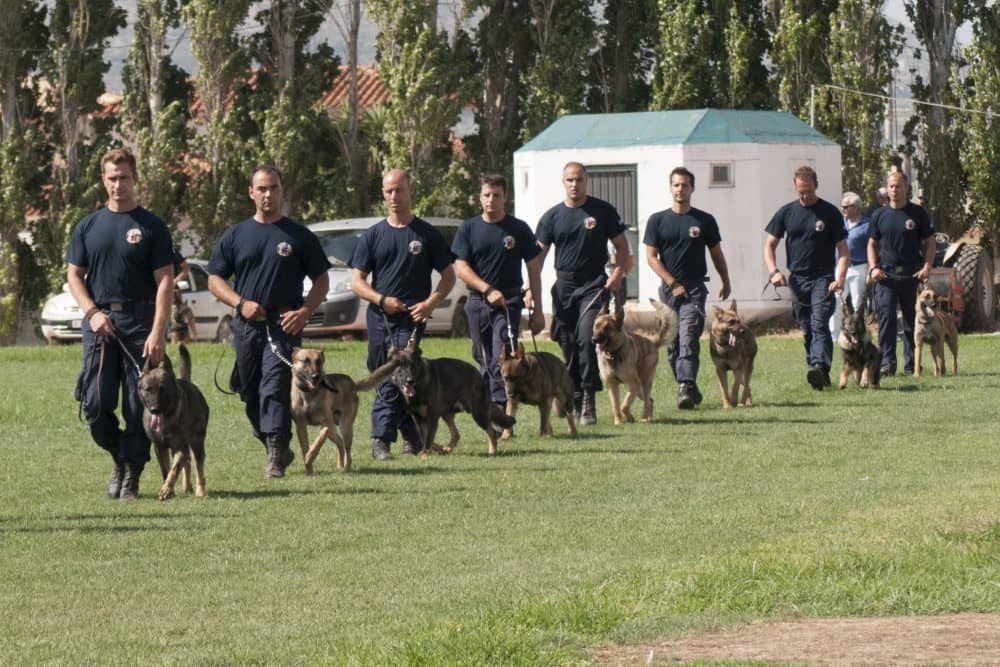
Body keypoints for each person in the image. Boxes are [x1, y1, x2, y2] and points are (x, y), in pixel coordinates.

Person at [207, 166, 331, 479]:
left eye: (273, 188)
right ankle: (273, 442)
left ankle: (276, 455)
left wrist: (304, 311)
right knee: (249, 390)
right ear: (251, 192)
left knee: (274, 386)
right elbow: (214, 279)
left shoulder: (298, 236)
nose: (268, 195)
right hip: (248, 325)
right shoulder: (236, 235)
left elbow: (322, 280)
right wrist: (240, 303)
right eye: (261, 189)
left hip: (284, 325)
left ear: (282, 191)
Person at [67, 148, 174, 500]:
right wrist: (92, 313)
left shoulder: (152, 227)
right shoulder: (87, 226)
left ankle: (133, 475)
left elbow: (165, 281)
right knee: (95, 404)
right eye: (112, 178)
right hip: (99, 324)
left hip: (139, 322)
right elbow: (74, 276)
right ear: (103, 180)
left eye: (124, 177)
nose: (118, 184)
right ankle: (118, 456)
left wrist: (158, 332)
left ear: (135, 179)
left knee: (137, 405)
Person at [350, 169, 456, 460]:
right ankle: (411, 435)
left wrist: (430, 303)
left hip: (412, 320)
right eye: (389, 192)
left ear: (411, 191)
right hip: (380, 318)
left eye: (399, 190)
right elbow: (357, 282)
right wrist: (381, 299)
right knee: (392, 376)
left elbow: (449, 276)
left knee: (393, 375)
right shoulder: (373, 236)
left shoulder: (426, 233)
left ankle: (380, 441)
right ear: (383, 194)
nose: (394, 197)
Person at [536, 161, 631, 425]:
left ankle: (588, 400)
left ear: (586, 181)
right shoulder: (551, 217)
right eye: (569, 180)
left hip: (593, 285)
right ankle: (574, 395)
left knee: (588, 339)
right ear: (563, 182)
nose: (574, 184)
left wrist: (616, 275)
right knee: (567, 343)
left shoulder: (602, 211)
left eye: (578, 179)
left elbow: (623, 248)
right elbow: (538, 257)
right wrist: (531, 291)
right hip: (564, 287)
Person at [452, 174, 544, 411]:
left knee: (499, 355)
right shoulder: (468, 228)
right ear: (479, 198)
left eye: (496, 195)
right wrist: (487, 289)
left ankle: (500, 410)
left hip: (509, 302)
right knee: (481, 356)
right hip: (477, 302)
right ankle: (488, 403)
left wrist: (539, 310)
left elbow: (533, 266)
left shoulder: (518, 228)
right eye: (486, 195)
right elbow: (461, 268)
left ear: (506, 197)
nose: (491, 200)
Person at [644, 166, 732, 409]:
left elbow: (716, 253)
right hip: (668, 292)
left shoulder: (704, 220)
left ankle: (684, 384)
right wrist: (672, 283)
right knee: (672, 344)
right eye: (676, 185)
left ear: (692, 188)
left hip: (694, 289)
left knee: (688, 338)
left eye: (684, 185)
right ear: (670, 187)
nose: (680, 189)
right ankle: (688, 386)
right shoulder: (657, 220)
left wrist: (725, 279)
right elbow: (651, 257)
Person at [764, 165, 849, 390]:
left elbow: (843, 250)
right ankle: (817, 369)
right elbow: (769, 245)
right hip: (797, 279)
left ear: (816, 186)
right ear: (795, 188)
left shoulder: (830, 213)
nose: (805, 196)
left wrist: (839, 278)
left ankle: (820, 366)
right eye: (801, 191)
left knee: (819, 322)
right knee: (806, 327)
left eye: (809, 191)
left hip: (823, 277)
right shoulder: (786, 213)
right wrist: (774, 271)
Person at [866, 169, 935, 376]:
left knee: (911, 320)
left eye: (898, 186)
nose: (895, 190)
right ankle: (887, 363)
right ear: (887, 189)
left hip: (912, 275)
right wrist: (873, 267)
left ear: (906, 187)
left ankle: (912, 364)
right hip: (886, 276)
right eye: (891, 186)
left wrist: (927, 266)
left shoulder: (917, 213)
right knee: (886, 319)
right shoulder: (879, 214)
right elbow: (871, 244)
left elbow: (930, 241)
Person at [829, 191, 871, 341]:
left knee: (858, 302)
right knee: (836, 300)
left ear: (857, 208)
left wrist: (871, 269)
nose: (843, 209)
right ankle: (833, 337)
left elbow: (872, 247)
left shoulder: (867, 225)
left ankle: (861, 333)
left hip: (859, 267)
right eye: (842, 206)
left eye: (846, 207)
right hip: (841, 267)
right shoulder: (840, 223)